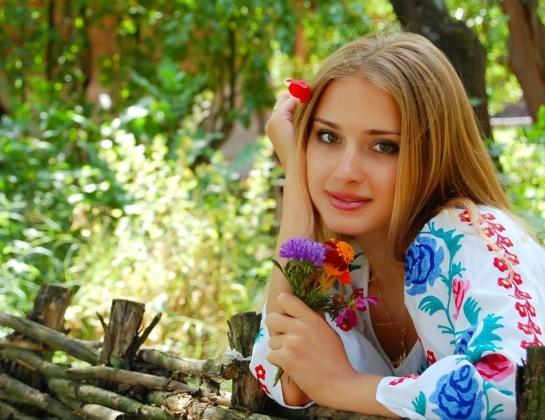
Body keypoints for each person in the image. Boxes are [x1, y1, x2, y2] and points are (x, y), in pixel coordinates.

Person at [249, 31, 545, 419]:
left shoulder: (468, 235)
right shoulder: (347, 263)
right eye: (328, 136)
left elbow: (510, 387)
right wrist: (297, 194)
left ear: (433, 153)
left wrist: (343, 385)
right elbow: (281, 373)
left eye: (384, 146)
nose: (346, 171)